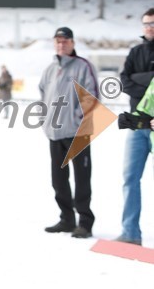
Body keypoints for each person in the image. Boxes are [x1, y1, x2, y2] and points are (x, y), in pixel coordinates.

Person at [39, 26, 99, 239]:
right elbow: (42, 96)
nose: (61, 44)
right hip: (55, 134)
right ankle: (66, 219)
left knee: (82, 179)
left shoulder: (83, 66)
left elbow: (91, 98)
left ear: (73, 43)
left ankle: (84, 222)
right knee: (58, 180)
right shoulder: (50, 69)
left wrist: (75, 120)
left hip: (77, 133)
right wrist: (45, 120)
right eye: (58, 41)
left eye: (65, 41)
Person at [115, 8, 154, 246]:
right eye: (146, 23)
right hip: (138, 125)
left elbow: (133, 81)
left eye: (153, 23)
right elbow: (125, 82)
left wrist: (141, 79)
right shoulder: (135, 52)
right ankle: (130, 233)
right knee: (130, 178)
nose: (149, 27)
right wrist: (149, 83)